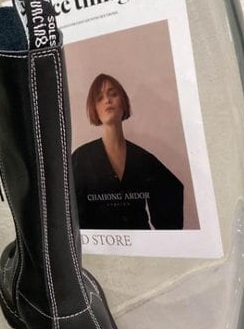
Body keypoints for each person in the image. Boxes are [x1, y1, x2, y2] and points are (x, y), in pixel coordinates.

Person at [71, 73, 184, 230]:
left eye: (113, 94)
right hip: (99, 244)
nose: (107, 100)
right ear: (94, 109)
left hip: (140, 242)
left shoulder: (143, 159)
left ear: (123, 102)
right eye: (99, 98)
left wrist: (164, 238)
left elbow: (171, 190)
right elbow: (68, 209)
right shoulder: (80, 159)